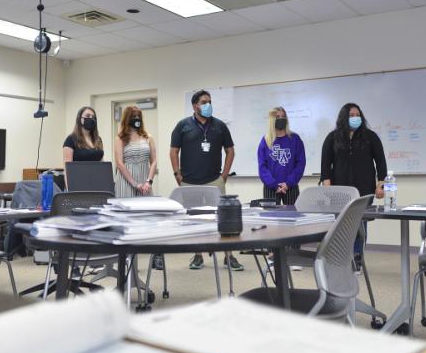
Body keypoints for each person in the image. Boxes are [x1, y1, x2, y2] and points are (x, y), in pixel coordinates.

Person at [170, 90, 243, 271]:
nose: (208, 105)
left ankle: (229, 255)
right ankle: (198, 256)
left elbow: (230, 150)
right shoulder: (183, 126)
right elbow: (173, 151)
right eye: (204, 102)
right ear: (195, 106)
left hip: (214, 180)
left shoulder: (219, 126)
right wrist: (177, 174)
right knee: (194, 219)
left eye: (210, 102)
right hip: (189, 181)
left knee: (224, 219)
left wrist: (224, 175)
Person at [321, 103, 387, 261]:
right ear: (344, 117)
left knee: (360, 224)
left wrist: (380, 185)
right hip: (339, 189)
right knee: (341, 225)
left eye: (358, 115)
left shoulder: (370, 137)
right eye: (351, 115)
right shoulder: (332, 137)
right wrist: (327, 189)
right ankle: (341, 256)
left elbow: (381, 163)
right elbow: (325, 166)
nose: (355, 118)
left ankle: (357, 257)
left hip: (364, 188)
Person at [257, 107, 306, 205]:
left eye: (283, 116)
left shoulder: (295, 139)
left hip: (291, 187)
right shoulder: (265, 141)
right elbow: (262, 167)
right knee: (271, 218)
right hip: (271, 187)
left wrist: (288, 183)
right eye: (278, 117)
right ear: (272, 120)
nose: (281, 119)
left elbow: (300, 163)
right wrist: (274, 185)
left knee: (292, 217)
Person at [114, 106, 156, 197]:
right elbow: (119, 163)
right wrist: (135, 184)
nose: (136, 119)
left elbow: (154, 162)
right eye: (133, 117)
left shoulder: (148, 138)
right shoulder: (120, 138)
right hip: (126, 182)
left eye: (138, 117)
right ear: (127, 119)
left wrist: (149, 181)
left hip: (145, 184)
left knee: (145, 209)